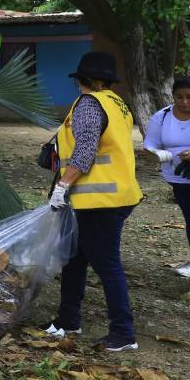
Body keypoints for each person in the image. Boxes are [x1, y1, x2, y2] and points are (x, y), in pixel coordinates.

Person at [42, 51, 143, 352]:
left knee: (107, 264)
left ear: (83, 79)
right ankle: (67, 320)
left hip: (101, 199)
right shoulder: (117, 104)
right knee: (75, 259)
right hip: (114, 195)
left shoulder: (89, 104)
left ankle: (124, 333)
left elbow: (85, 151)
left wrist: (62, 185)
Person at [143, 75, 190, 277]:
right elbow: (150, 143)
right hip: (179, 177)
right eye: (179, 97)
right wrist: (158, 153)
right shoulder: (162, 116)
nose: (184, 102)